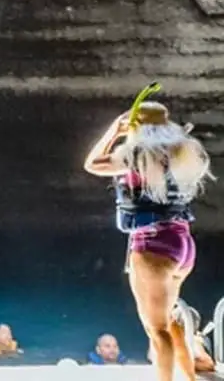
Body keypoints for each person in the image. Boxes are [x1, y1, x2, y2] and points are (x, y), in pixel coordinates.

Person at [83, 93, 214, 381]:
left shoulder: (137, 155)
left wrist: (113, 132)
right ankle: (189, 377)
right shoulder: (181, 151)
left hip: (152, 246)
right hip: (182, 244)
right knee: (170, 319)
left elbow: (92, 163)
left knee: (156, 331)